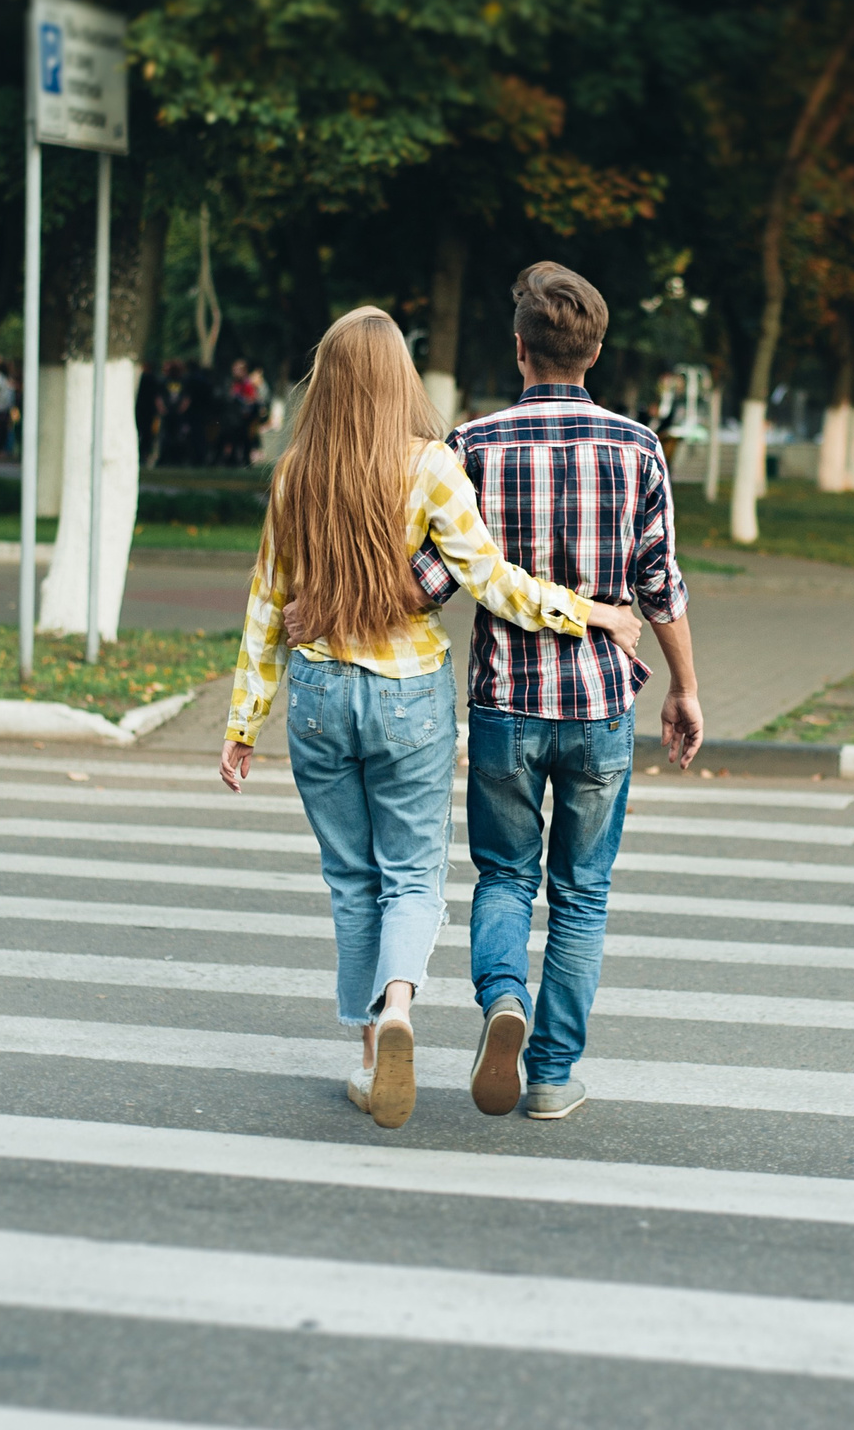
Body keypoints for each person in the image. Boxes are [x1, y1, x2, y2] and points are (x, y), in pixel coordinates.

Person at [218, 306, 640, 1131]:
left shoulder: (294, 472)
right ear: (399, 379)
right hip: (408, 693)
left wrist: (242, 725)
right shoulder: (432, 468)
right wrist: (589, 611)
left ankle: (371, 1051)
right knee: (412, 876)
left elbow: (267, 603)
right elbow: (493, 581)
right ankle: (402, 1007)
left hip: (318, 695)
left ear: (327, 382)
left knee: (351, 880)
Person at [406, 261, 704, 1124]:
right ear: (596, 352)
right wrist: (684, 688)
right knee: (581, 894)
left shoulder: (472, 446)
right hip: (601, 706)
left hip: (506, 702)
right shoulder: (639, 448)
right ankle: (550, 1075)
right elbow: (659, 584)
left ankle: (505, 997)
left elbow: (430, 582)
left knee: (504, 876)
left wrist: (329, 609)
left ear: (519, 348)